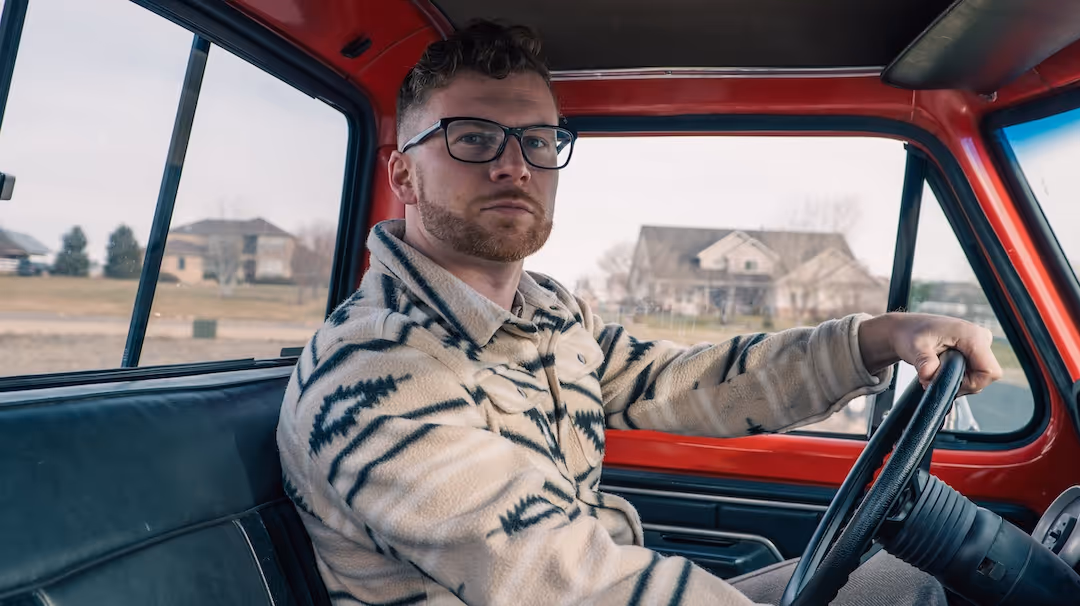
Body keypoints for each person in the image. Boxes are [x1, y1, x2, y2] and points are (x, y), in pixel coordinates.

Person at [277, 21, 1002, 606]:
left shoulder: (550, 312)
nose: (513, 166)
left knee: (911, 583)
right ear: (402, 172)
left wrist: (874, 340)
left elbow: (682, 382)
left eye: (537, 140)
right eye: (472, 137)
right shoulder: (376, 371)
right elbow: (563, 579)